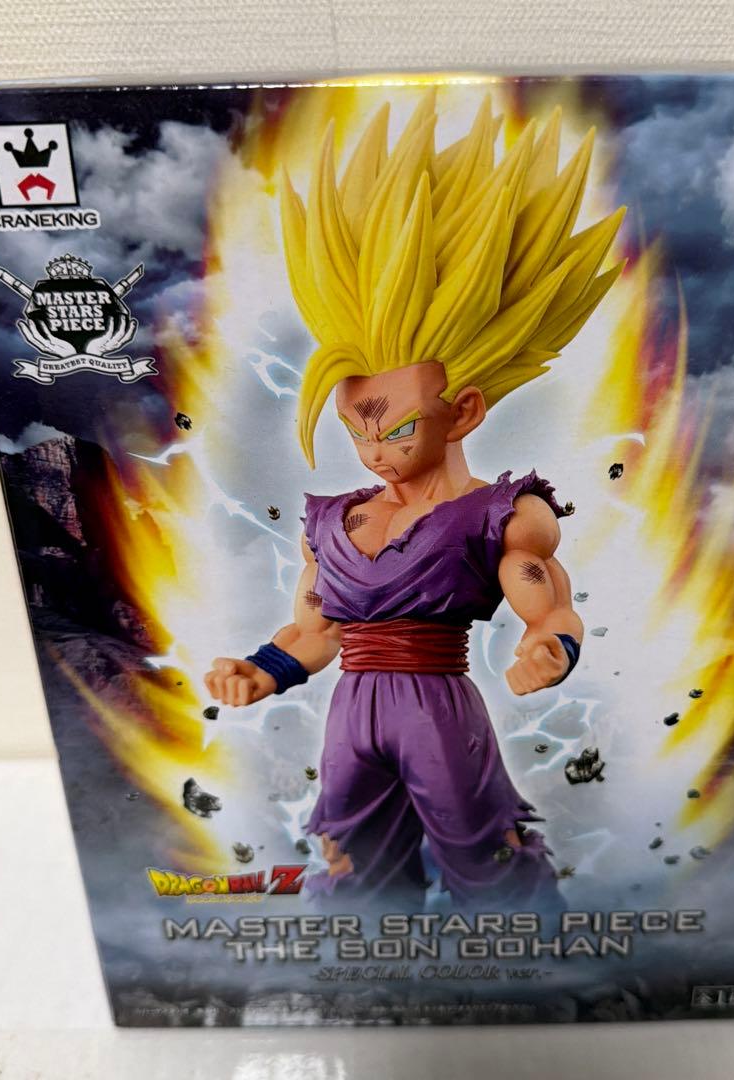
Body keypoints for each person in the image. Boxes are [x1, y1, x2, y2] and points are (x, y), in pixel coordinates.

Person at [205, 92, 624, 906]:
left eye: (394, 429)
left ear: (463, 412)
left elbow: (549, 606)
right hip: (350, 715)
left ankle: (531, 965)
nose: (372, 450)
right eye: (355, 428)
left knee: (487, 859)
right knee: (350, 866)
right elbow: (314, 628)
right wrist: (262, 671)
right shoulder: (332, 520)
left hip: (438, 709)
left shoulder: (505, 513)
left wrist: (551, 650)